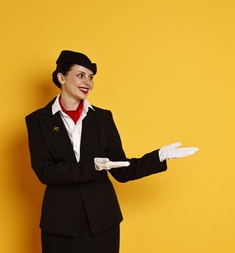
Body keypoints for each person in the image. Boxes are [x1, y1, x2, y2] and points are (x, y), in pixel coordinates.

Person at [25, 50, 199, 253]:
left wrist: (159, 156)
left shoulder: (102, 119)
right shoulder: (38, 120)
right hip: (60, 222)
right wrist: (92, 166)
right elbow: (45, 171)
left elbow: (121, 170)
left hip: (102, 221)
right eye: (80, 75)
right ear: (61, 77)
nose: (87, 83)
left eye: (91, 77)